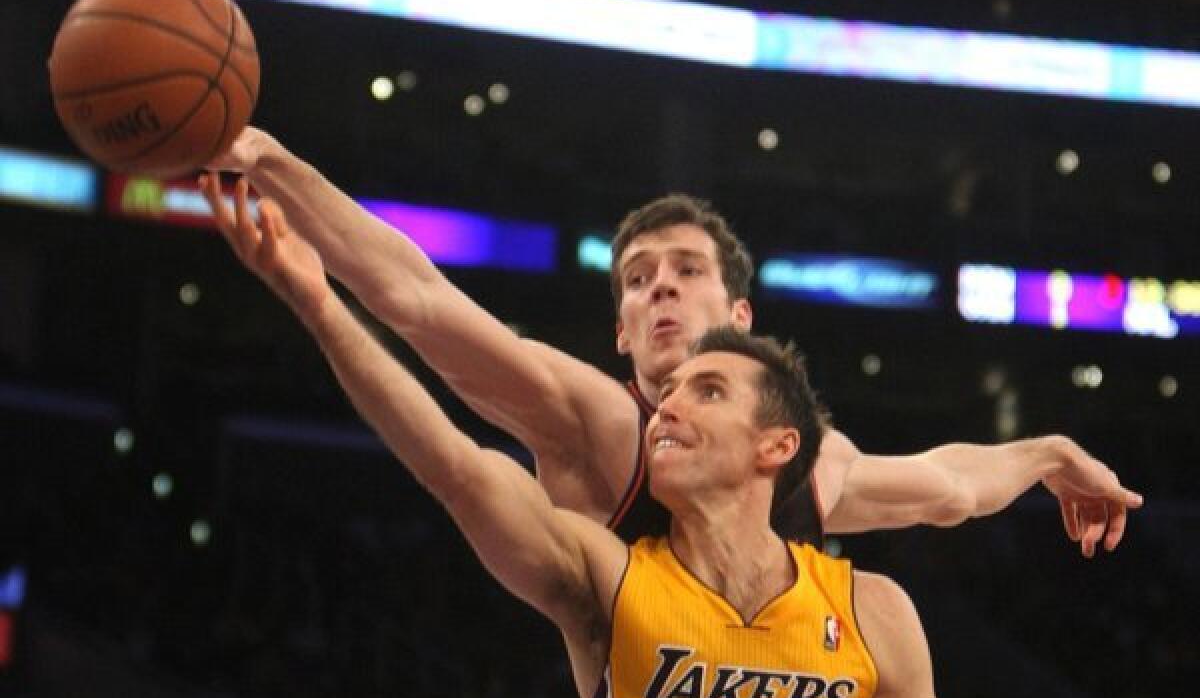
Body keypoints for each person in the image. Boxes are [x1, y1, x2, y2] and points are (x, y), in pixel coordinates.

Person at [215, 195, 974, 698]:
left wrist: (1048, 453)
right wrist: (319, 308)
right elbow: (454, 464)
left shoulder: (872, 608)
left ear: (777, 446)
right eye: (668, 393)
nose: (670, 406)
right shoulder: (612, 580)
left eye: (708, 390)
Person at [199, 130, 1141, 560]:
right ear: (619, 331)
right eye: (639, 277)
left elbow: (949, 489)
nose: (659, 287)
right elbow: (419, 302)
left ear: (739, 315)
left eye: (685, 270)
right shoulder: (599, 421)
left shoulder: (811, 459)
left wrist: (1050, 452)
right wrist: (273, 163)